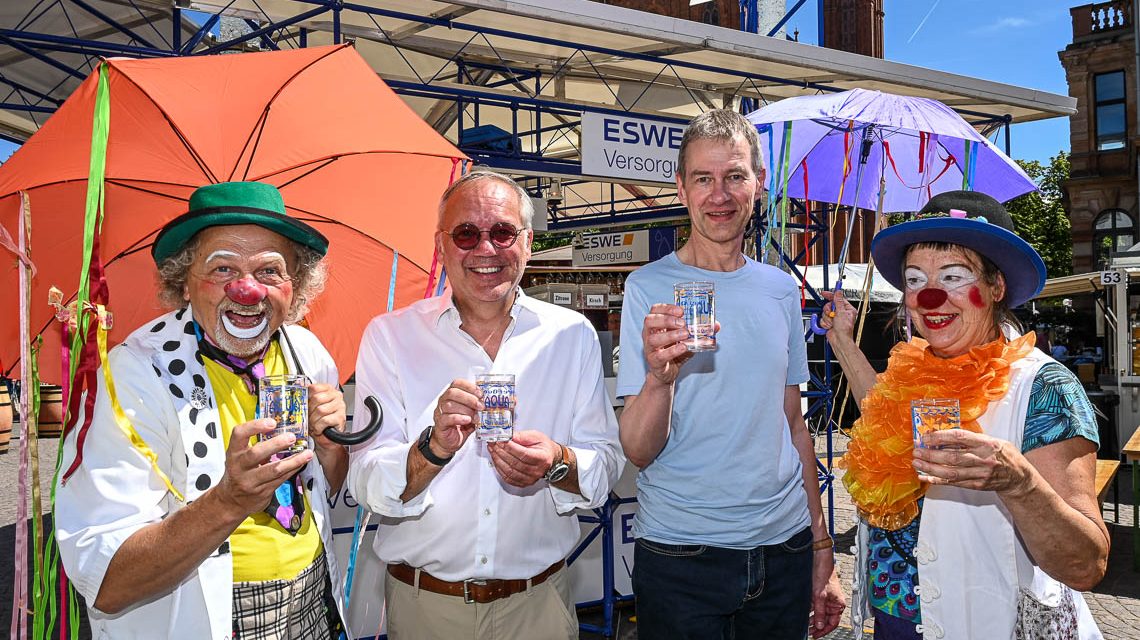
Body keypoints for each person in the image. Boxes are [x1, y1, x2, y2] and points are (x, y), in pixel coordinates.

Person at [55, 182, 351, 639]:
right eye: (223, 267)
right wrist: (228, 501)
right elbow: (107, 579)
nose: (247, 290)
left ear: (296, 287)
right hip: (203, 616)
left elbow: (328, 487)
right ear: (184, 281)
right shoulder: (133, 376)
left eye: (270, 271)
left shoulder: (306, 351)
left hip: (313, 598)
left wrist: (331, 447)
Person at [346, 170, 624, 639]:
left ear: (528, 241)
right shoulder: (390, 336)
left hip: (539, 606)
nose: (485, 249)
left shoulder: (570, 334)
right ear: (441, 245)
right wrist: (430, 451)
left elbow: (607, 461)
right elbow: (365, 482)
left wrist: (556, 463)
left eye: (501, 232)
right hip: (427, 610)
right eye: (466, 234)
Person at [820, 190, 1109, 639]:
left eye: (953, 276)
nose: (929, 296)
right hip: (897, 618)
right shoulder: (913, 369)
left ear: (996, 287)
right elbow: (882, 410)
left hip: (988, 623)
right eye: (914, 279)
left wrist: (1019, 482)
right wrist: (841, 340)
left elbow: (1087, 563)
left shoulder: (1042, 387)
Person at [616, 108, 844, 640]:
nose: (719, 195)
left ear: (758, 185)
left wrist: (820, 544)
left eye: (734, 176)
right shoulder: (647, 288)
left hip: (783, 548)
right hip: (681, 554)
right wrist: (659, 379)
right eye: (703, 178)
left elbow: (793, 423)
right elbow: (638, 450)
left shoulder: (780, 289)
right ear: (681, 187)